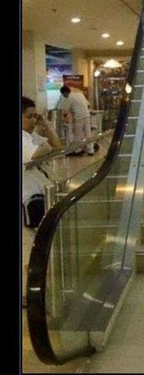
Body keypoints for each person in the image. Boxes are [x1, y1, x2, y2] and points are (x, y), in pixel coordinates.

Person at [22, 96, 62, 307]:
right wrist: (45, 142)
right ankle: (29, 294)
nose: (33, 121)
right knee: (29, 247)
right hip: (26, 199)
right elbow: (39, 153)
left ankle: (34, 292)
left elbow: (57, 146)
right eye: (29, 117)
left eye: (35, 117)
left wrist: (46, 125)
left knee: (35, 245)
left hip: (36, 195)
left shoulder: (29, 136)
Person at [59, 85, 94, 155]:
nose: (64, 96)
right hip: (87, 115)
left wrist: (65, 118)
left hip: (78, 117)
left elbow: (65, 110)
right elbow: (88, 104)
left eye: (63, 95)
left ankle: (78, 150)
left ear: (65, 93)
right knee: (88, 133)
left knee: (78, 134)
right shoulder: (80, 94)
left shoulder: (69, 98)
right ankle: (90, 150)